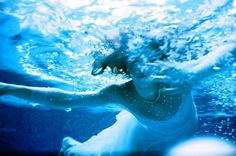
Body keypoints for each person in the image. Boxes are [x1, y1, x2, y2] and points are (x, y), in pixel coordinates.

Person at [0, 32, 235, 155]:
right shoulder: (121, 93)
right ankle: (71, 146)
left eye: (151, 59)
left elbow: (229, 49)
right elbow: (64, 99)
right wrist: (9, 88)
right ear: (126, 65)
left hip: (179, 135)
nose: (144, 65)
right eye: (136, 59)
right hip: (145, 139)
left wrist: (195, 75)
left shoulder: (178, 78)